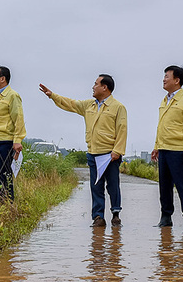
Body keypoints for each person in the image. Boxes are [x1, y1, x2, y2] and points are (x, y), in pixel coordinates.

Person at [39, 75, 127, 227]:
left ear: (104, 87)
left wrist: (117, 151)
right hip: (93, 153)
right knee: (95, 186)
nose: (93, 87)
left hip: (110, 154)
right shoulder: (89, 105)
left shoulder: (118, 107)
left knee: (113, 186)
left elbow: (122, 129)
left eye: (96, 84)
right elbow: (71, 104)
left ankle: (115, 214)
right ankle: (98, 217)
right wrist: (53, 96)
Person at [151, 65, 183, 230]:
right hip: (164, 149)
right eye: (164, 76)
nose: (164, 79)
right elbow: (161, 126)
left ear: (177, 80)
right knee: (164, 186)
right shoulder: (165, 100)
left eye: (167, 76)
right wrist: (156, 146)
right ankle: (166, 217)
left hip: (179, 150)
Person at [0, 66, 26, 201]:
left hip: (5, 141)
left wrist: (17, 140)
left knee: (5, 174)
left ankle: (8, 204)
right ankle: (0, 203)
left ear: (3, 79)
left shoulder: (12, 96)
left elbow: (18, 119)